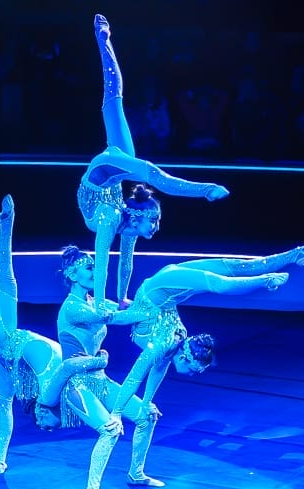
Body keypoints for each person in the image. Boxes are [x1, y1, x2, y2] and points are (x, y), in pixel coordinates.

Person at [78, 14, 229, 309]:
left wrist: (120, 298)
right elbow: (104, 265)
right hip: (106, 168)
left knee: (115, 101)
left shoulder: (117, 222)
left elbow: (121, 263)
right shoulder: (117, 218)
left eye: (155, 220)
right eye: (155, 219)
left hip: (104, 183)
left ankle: (102, 40)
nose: (157, 226)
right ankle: (103, 40)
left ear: (136, 217)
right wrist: (99, 304)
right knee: (116, 101)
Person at [109, 245, 304, 421]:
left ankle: (286, 263)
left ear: (185, 357)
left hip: (162, 288)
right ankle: (290, 259)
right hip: (163, 289)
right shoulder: (171, 342)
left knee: (228, 278)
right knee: (234, 270)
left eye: (194, 371)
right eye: (196, 371)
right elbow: (157, 369)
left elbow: (134, 378)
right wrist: (144, 403)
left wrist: (118, 413)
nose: (193, 375)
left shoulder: (163, 345)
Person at [0, 194, 110, 474]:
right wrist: (100, 360)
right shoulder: (55, 389)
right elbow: (73, 364)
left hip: (13, 359)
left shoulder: (44, 393)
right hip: (5, 340)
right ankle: (8, 224)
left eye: (38, 423)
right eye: (47, 422)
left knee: (2, 400)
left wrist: (0, 459)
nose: (40, 422)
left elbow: (6, 406)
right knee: (6, 284)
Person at [57, 246, 165, 489]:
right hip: (77, 385)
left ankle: (136, 473)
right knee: (110, 429)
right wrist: (142, 314)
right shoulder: (72, 308)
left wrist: (153, 303)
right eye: (89, 268)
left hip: (100, 380)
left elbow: (122, 308)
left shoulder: (95, 300)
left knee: (146, 415)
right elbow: (112, 317)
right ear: (72, 274)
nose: (96, 272)